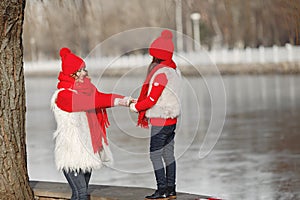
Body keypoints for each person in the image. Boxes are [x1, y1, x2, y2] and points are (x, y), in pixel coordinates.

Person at [51, 47, 131, 200]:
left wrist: (126, 100)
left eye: (84, 69)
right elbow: (91, 102)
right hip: (72, 152)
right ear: (71, 73)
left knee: (78, 195)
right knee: (82, 194)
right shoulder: (63, 95)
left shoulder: (87, 88)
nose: (84, 73)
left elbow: (100, 97)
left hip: (88, 150)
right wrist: (119, 101)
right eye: (80, 70)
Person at [130, 30, 181, 200]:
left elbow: (151, 100)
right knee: (168, 155)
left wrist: (136, 107)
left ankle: (161, 191)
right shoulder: (174, 70)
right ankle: (171, 189)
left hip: (160, 120)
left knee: (155, 155)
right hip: (172, 119)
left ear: (156, 55)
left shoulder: (161, 74)